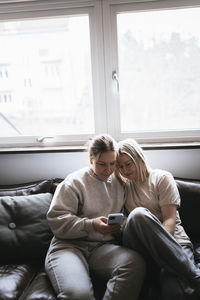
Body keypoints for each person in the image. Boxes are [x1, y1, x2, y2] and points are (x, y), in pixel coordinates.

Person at [45, 134, 145, 300]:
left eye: (113, 163)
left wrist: (121, 225)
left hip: (102, 247)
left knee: (135, 263)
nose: (108, 170)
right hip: (68, 247)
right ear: (91, 159)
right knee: (79, 295)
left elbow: (125, 215)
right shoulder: (74, 183)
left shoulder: (120, 183)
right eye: (102, 164)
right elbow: (56, 221)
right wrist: (91, 225)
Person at [116, 138, 200, 300]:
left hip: (174, 243)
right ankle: (194, 274)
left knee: (174, 292)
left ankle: (188, 274)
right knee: (138, 215)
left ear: (139, 158)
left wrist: (160, 250)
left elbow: (169, 220)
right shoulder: (122, 187)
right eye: (120, 166)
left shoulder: (162, 178)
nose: (125, 170)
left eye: (128, 164)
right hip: (142, 248)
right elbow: (124, 224)